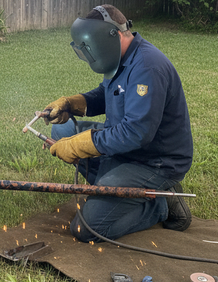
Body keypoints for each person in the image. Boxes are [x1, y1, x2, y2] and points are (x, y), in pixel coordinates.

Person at [43, 4, 193, 242]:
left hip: (154, 161)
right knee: (62, 129)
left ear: (111, 36)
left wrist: (80, 145)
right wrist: (72, 104)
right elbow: (107, 94)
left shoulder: (147, 67)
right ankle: (115, 188)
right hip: (127, 148)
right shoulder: (120, 58)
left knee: (85, 228)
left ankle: (160, 203)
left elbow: (136, 132)